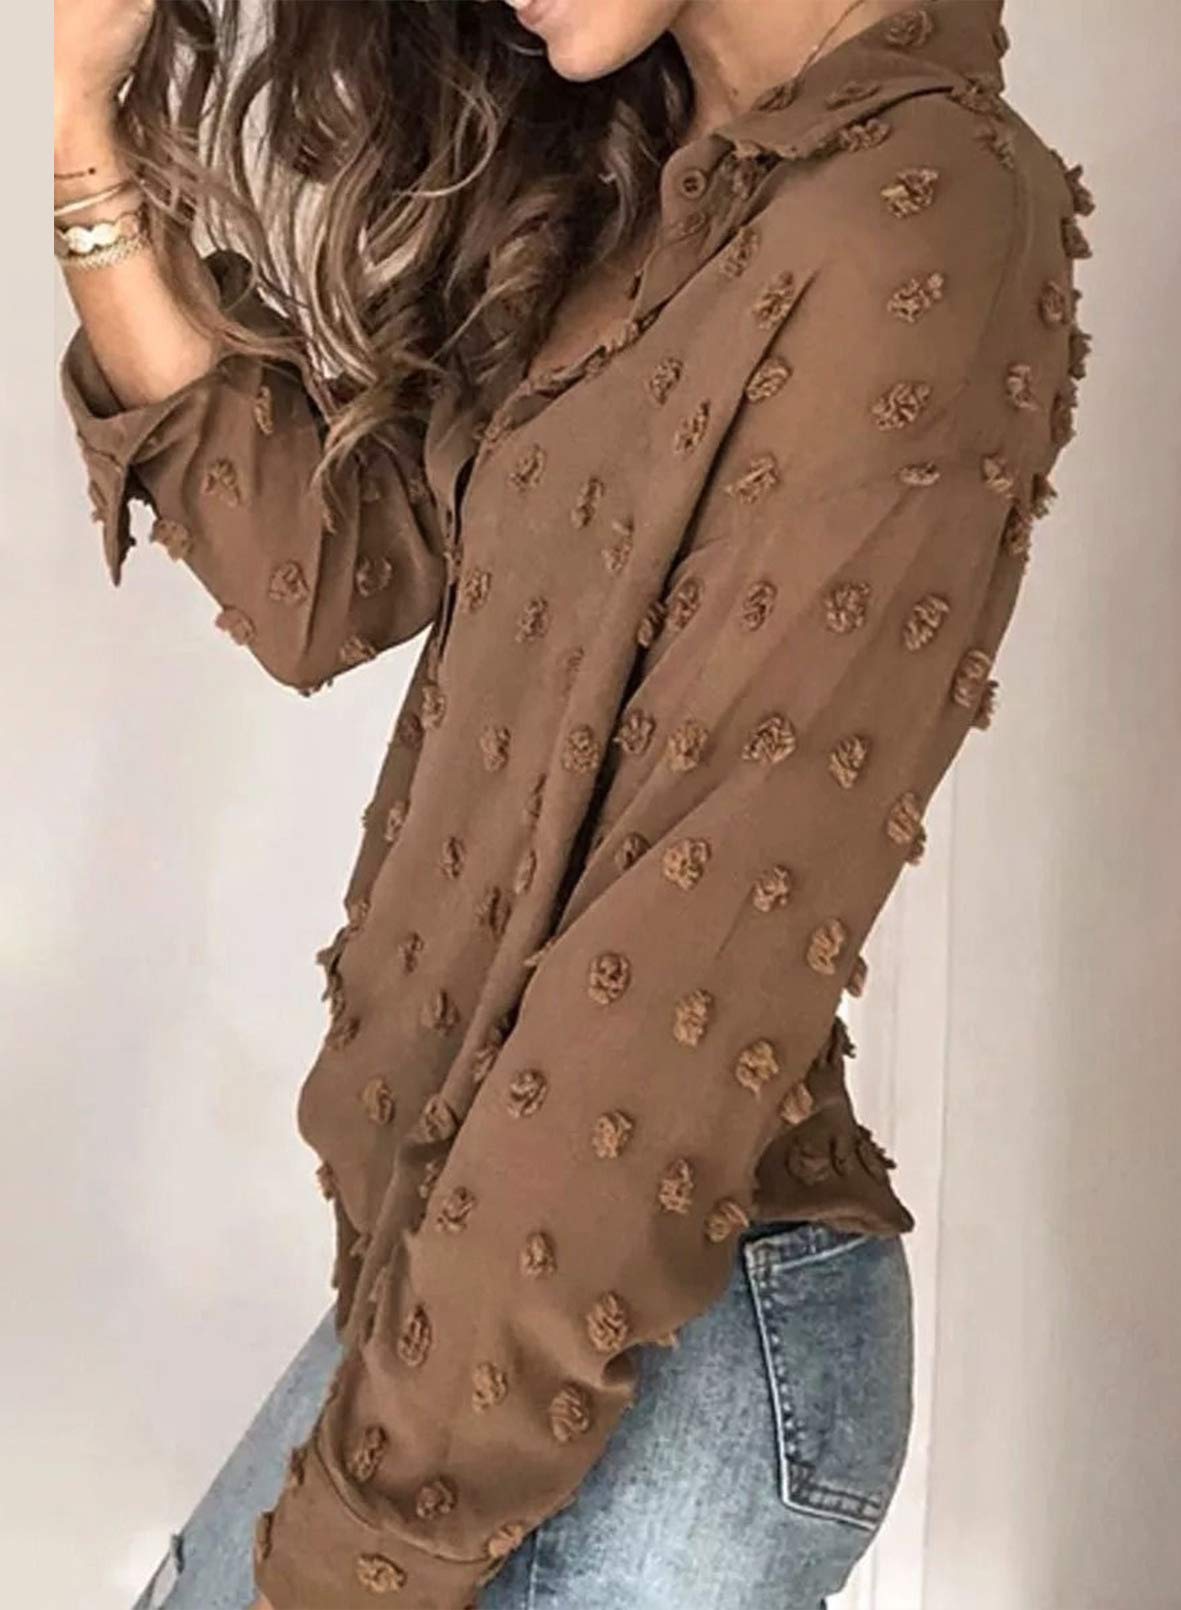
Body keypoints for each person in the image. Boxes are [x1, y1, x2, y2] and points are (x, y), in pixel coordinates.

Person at [53, 1, 1093, 1606]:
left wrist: (360, 1544)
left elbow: (677, 969)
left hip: (645, 1339)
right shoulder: (640, 171)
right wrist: (87, 138)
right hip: (480, 1289)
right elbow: (324, 576)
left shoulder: (924, 208)